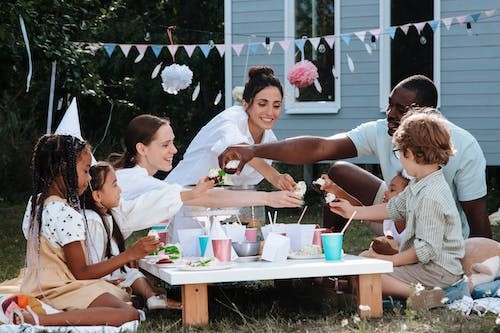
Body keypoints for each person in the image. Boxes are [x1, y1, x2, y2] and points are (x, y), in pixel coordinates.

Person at [219, 74, 491, 239]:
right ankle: (330, 256)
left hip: (436, 232)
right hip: (395, 213)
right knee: (338, 170)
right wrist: (253, 150)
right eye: (389, 104)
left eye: (400, 108)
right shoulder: (383, 130)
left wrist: (482, 265)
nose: (389, 113)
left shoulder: (463, 147)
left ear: (424, 113)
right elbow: (320, 148)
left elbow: (478, 219)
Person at [330, 111, 465, 307]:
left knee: (365, 276)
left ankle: (423, 297)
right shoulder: (422, 184)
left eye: (399, 152)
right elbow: (393, 208)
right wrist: (353, 212)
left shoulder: (430, 196)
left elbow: (423, 251)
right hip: (428, 265)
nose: (399, 158)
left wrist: (385, 260)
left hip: (438, 271)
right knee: (361, 267)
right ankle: (410, 292)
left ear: (409, 153)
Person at [19, 134, 151, 326]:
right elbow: (81, 273)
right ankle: (43, 320)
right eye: (86, 171)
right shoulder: (67, 214)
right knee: (129, 313)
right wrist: (130, 255)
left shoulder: (36, 203)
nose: (89, 179)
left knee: (118, 295)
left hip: (36, 284)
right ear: (64, 169)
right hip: (59, 289)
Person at [112, 114, 303, 241]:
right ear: (141, 149)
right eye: (165, 145)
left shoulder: (131, 176)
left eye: (173, 143)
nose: (174, 150)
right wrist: (269, 198)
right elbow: (206, 197)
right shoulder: (137, 180)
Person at [166, 66, 295, 190]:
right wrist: (275, 176)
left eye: (276, 106)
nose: (270, 112)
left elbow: (237, 184)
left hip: (217, 205)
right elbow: (240, 150)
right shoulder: (232, 118)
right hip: (179, 193)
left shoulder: (269, 140)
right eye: (262, 104)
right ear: (245, 104)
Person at [83, 162, 182, 310]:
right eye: (115, 185)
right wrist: (129, 256)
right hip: (98, 281)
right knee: (127, 279)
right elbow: (93, 267)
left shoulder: (109, 216)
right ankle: (139, 300)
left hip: (112, 275)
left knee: (133, 274)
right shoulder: (93, 221)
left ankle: (151, 297)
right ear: (97, 195)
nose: (120, 190)